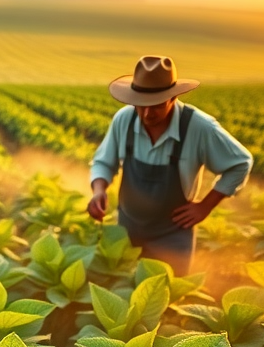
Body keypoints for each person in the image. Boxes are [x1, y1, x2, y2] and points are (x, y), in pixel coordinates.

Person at [86, 55, 253, 275]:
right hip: (128, 228)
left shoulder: (198, 128)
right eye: (140, 105)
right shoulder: (124, 119)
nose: (146, 114)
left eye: (155, 106)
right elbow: (103, 161)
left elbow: (240, 162)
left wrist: (206, 205)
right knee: (125, 292)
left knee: (166, 295)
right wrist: (99, 191)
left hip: (173, 234)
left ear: (173, 98)